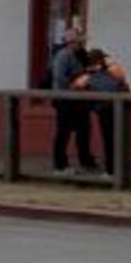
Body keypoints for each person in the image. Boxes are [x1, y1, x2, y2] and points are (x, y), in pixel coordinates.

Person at [71, 48, 128, 176]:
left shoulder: (87, 77)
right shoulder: (115, 69)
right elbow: (123, 80)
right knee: (119, 139)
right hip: (121, 108)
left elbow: (75, 86)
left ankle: (111, 171)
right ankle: (121, 170)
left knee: (108, 140)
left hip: (104, 109)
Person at [46, 20, 93, 172]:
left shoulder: (80, 55)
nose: (81, 44)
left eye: (81, 41)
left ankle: (85, 160)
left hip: (79, 100)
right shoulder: (63, 56)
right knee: (63, 132)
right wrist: (77, 84)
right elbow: (60, 78)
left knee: (84, 131)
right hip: (65, 100)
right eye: (78, 41)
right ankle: (60, 165)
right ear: (71, 42)